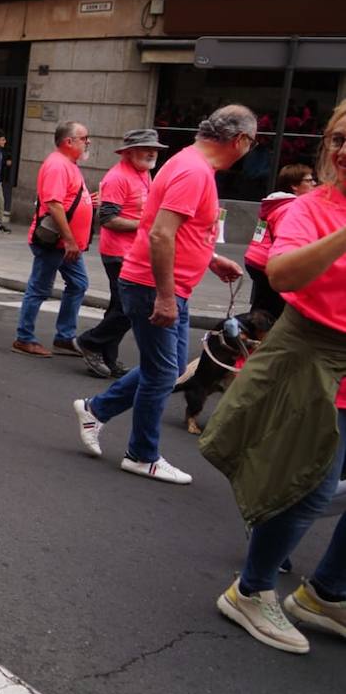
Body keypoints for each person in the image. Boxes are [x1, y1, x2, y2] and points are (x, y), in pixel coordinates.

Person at [200, 100, 346, 654]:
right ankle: (252, 589)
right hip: (311, 360)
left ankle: (326, 593)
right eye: (338, 139)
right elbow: (282, 274)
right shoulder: (309, 209)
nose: (344, 151)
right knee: (307, 487)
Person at [73, 105, 254, 485]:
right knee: (160, 374)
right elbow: (159, 234)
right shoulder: (193, 171)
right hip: (153, 285)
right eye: (252, 143)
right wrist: (166, 297)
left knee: (166, 368)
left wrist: (212, 259)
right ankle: (141, 454)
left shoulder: (188, 163)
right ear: (239, 141)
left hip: (162, 283)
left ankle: (96, 409)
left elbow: (180, 232)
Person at [75, 129, 166, 379]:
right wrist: (147, 224)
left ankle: (108, 357)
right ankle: (90, 342)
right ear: (128, 152)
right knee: (130, 308)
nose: (152, 152)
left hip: (135, 252)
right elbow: (107, 219)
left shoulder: (144, 173)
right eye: (146, 148)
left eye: (155, 149)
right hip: (119, 253)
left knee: (119, 306)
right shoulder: (118, 177)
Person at [12, 122, 94, 358]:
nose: (88, 141)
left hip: (68, 245)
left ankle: (64, 337)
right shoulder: (58, 165)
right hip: (57, 243)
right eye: (84, 137)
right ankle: (24, 338)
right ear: (69, 141)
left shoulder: (69, 164)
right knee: (39, 288)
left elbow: (68, 199)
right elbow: (54, 204)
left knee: (78, 284)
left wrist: (89, 202)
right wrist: (69, 239)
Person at [242, 163, 316, 318]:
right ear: (294, 186)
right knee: (270, 312)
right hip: (266, 263)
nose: (314, 184)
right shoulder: (290, 207)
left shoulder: (277, 204)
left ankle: (249, 335)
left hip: (256, 259)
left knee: (262, 306)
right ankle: (253, 337)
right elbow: (284, 238)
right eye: (308, 181)